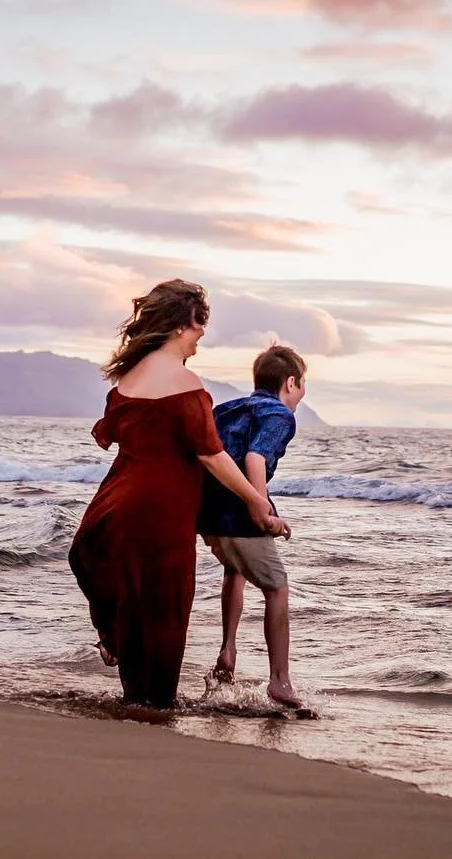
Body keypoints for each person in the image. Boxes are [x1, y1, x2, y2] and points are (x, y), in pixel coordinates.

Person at [69, 279, 288, 709]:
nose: (200, 337)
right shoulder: (185, 384)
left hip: (114, 504)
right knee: (164, 609)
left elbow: (121, 436)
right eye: (197, 328)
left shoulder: (129, 379)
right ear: (178, 326)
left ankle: (135, 696)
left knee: (135, 603)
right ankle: (156, 708)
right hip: (161, 512)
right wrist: (255, 502)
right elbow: (212, 456)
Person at [197, 344, 308, 709]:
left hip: (207, 515)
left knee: (235, 570)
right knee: (277, 587)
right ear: (290, 382)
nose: (302, 393)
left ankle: (227, 653)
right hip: (238, 513)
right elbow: (255, 457)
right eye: (302, 384)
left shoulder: (229, 408)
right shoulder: (279, 414)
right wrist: (261, 510)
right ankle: (280, 681)